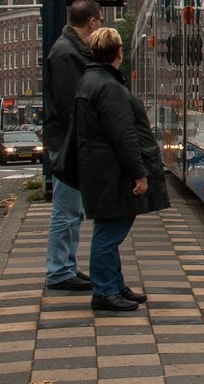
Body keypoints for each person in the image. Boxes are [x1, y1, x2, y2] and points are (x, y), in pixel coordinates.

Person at [74, 27, 170, 312]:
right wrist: (139, 174)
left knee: (109, 230)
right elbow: (123, 135)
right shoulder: (109, 87)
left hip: (100, 171)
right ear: (118, 52)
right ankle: (105, 291)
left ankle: (114, 285)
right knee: (109, 234)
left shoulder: (90, 81)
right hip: (113, 173)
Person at [43, 0, 103, 292]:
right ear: (91, 22)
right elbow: (72, 102)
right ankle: (59, 271)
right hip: (67, 141)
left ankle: (66, 266)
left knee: (71, 209)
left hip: (67, 139)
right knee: (66, 209)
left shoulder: (69, 48)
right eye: (100, 21)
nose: (100, 26)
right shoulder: (67, 53)